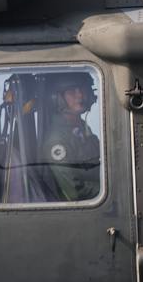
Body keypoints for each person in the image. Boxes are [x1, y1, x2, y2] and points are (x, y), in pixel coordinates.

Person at [41, 71, 101, 201]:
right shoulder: (56, 141)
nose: (79, 95)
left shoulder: (81, 129)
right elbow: (75, 192)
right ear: (57, 98)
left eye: (82, 89)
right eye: (71, 91)